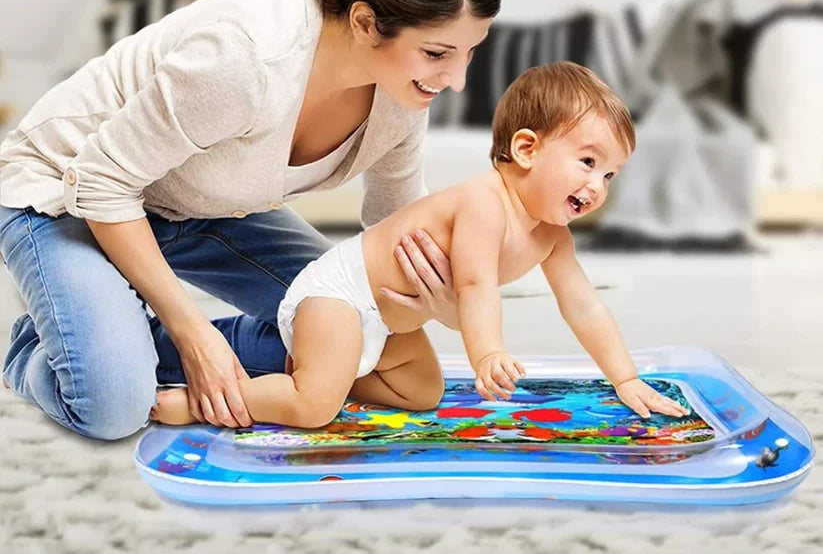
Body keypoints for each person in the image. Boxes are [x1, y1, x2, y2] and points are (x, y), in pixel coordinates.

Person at [0, 0, 500, 440]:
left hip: (200, 206)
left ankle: (114, 339)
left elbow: (396, 227)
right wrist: (193, 333)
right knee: (113, 405)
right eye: (437, 53)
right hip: (67, 193)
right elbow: (102, 181)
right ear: (364, 22)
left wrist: (443, 301)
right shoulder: (244, 60)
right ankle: (40, 347)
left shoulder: (402, 95)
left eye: (470, 52)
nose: (456, 80)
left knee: (374, 351)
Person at [151, 62, 690, 429]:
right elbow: (474, 284)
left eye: (610, 174)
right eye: (588, 162)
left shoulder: (552, 237)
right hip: (339, 298)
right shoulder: (485, 202)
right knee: (313, 407)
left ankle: (328, 375)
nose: (597, 186)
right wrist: (487, 352)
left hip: (388, 324)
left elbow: (585, 305)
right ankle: (203, 403)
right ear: (526, 149)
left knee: (422, 392)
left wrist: (625, 376)